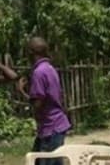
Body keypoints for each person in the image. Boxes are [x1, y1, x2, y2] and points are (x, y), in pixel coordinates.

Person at [19, 37, 71, 165]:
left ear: (31, 53)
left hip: (51, 128)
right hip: (55, 125)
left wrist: (22, 91)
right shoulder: (49, 68)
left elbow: (38, 103)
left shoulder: (39, 72)